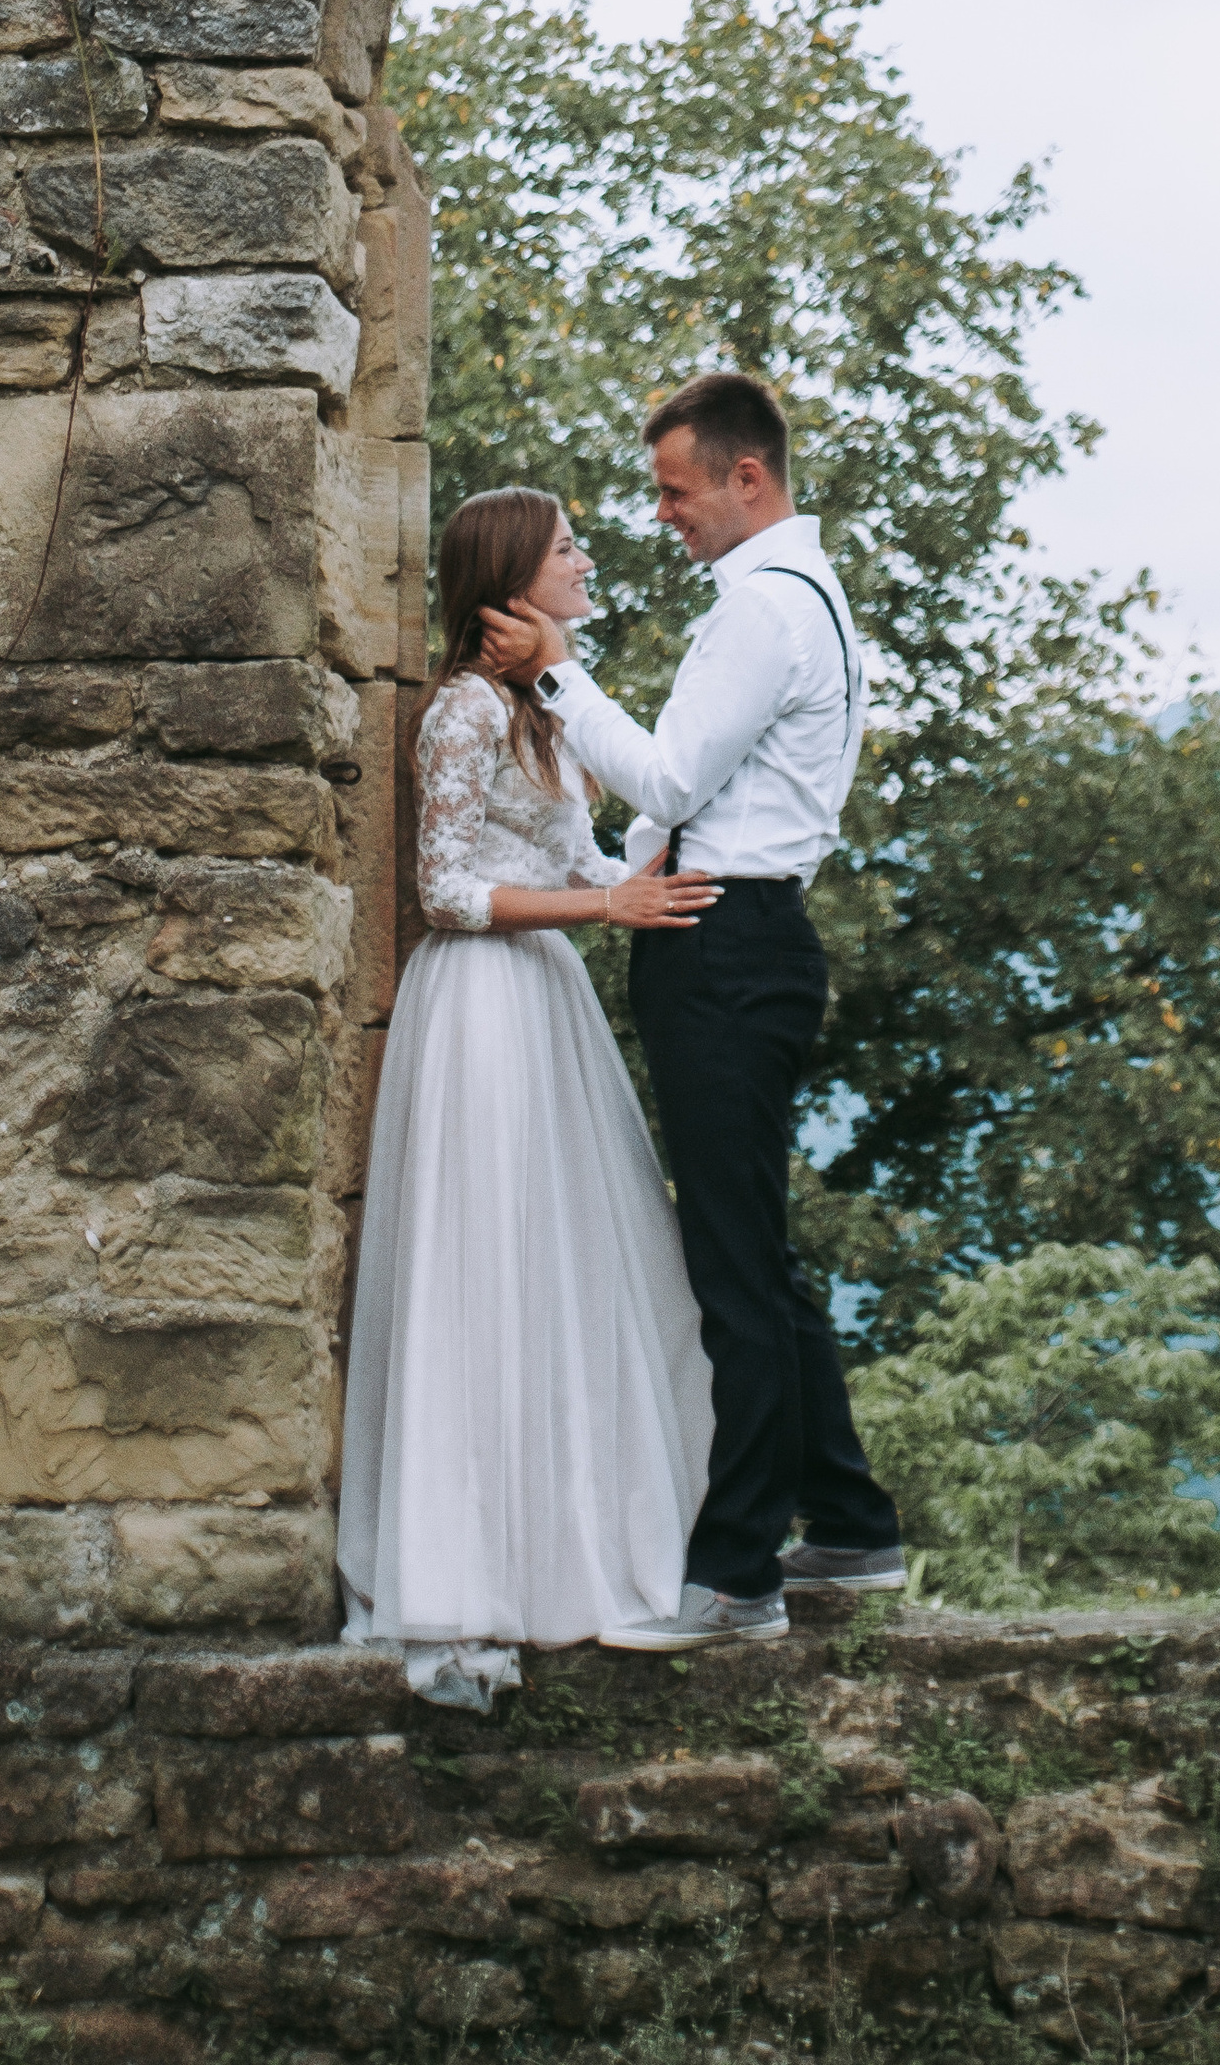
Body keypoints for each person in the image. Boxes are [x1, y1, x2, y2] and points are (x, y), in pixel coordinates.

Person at [482, 369, 905, 1652]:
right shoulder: (797, 599)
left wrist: (557, 671)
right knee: (754, 1249)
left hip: (726, 945)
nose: (663, 514)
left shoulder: (765, 612)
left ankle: (737, 1581)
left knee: (729, 1269)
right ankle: (852, 1521)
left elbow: (665, 772)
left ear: (745, 478)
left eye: (675, 492)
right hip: (738, 931)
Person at [337, 486, 721, 1696]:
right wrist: (606, 904)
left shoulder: (541, 712)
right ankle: (468, 1570)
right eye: (565, 547)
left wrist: (660, 853)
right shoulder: (458, 713)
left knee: (567, 1270)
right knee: (485, 1268)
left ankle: (578, 1550)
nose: (585, 556)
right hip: (481, 1009)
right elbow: (445, 888)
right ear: (509, 572)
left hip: (547, 1008)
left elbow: (588, 864)